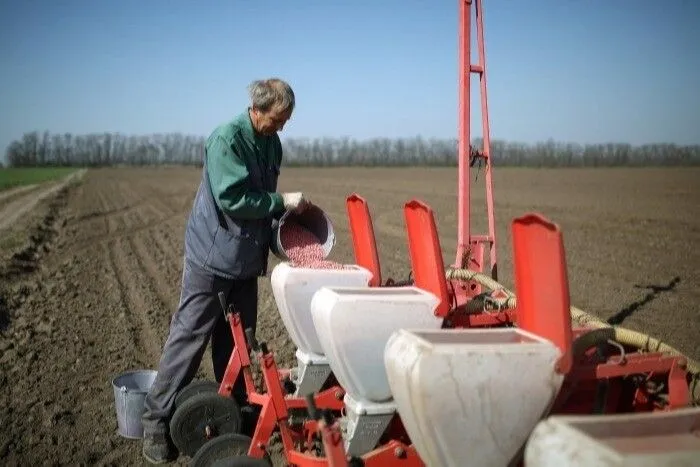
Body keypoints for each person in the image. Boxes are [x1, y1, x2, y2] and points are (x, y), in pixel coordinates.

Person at [141, 78, 307, 464]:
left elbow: (262, 203)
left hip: (245, 259)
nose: (282, 126)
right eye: (279, 118)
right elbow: (233, 198)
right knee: (189, 338)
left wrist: (285, 224)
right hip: (212, 256)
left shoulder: (271, 142)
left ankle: (231, 411)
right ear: (259, 109)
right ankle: (154, 420)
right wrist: (280, 199)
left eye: (286, 120)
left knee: (237, 342)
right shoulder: (226, 139)